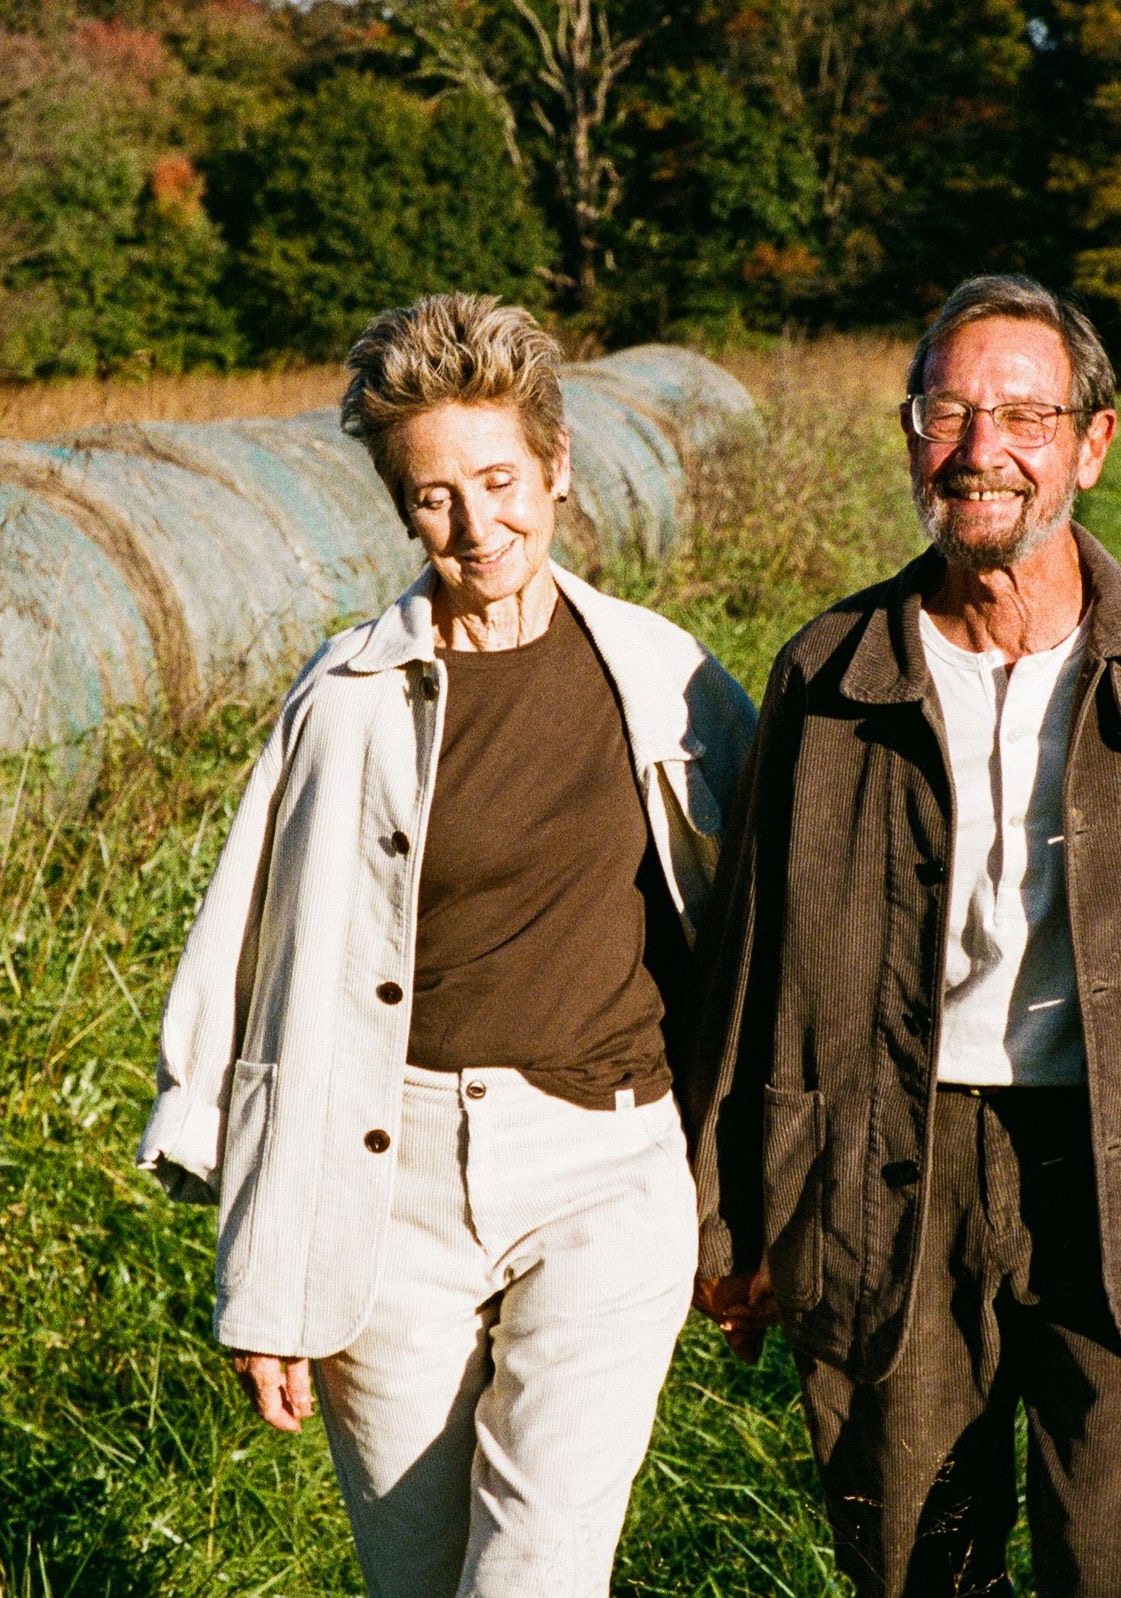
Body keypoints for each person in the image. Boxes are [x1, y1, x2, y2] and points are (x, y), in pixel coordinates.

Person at [683, 274, 1121, 1597]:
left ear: (1092, 442)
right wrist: (728, 1213)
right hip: (883, 1155)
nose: (983, 450)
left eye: (1026, 415)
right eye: (950, 412)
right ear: (910, 434)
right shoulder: (831, 673)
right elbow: (757, 953)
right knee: (913, 1547)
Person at [136, 292, 756, 1597]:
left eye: (500, 480)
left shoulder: (662, 675)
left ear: (559, 466)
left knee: (531, 1575)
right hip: (388, 1189)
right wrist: (269, 1273)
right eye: (434, 498)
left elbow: (762, 933)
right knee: (419, 1579)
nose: (478, 527)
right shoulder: (346, 701)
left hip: (603, 1173)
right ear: (398, 505)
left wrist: (749, 1192)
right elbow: (266, 987)